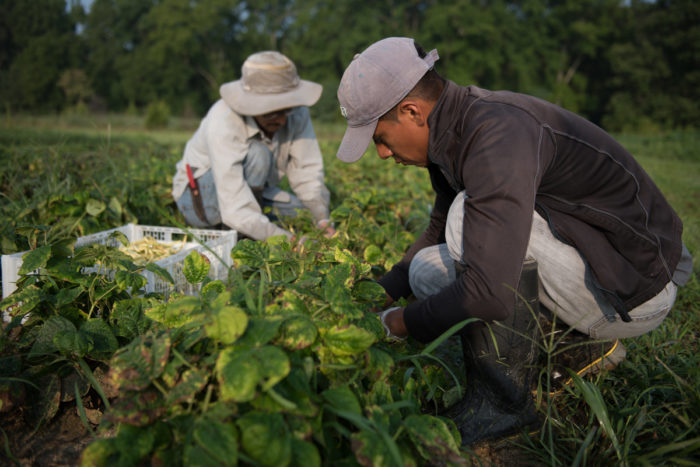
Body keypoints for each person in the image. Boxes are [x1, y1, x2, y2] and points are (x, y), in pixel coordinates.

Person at [335, 37, 693, 444]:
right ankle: (572, 350)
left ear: (412, 112)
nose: (382, 153)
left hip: (635, 291)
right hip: (588, 265)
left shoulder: (497, 133)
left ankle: (504, 404)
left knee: (467, 219)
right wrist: (384, 291)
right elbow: (436, 228)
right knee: (424, 272)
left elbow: (489, 294)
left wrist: (398, 323)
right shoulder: (453, 129)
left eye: (380, 137)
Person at [172, 51, 335, 241]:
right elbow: (234, 207)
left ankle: (253, 228)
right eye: (272, 113)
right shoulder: (223, 120)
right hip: (198, 200)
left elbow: (307, 170)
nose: (282, 120)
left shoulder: (298, 113)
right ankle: (240, 239)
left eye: (287, 109)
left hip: (253, 193)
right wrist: (287, 242)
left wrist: (322, 219)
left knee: (303, 214)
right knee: (259, 153)